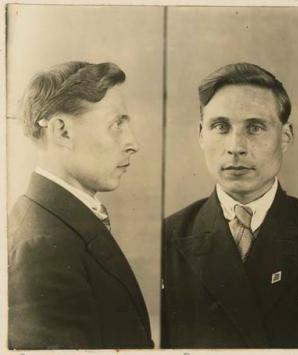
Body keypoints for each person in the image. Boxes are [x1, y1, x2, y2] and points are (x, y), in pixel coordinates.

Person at [161, 63, 298, 348]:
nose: (235, 146)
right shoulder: (168, 238)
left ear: (286, 136)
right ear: (201, 134)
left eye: (255, 128)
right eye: (221, 127)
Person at [8, 61, 153, 349]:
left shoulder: (54, 221)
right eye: (117, 124)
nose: (132, 143)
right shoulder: (42, 246)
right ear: (62, 131)